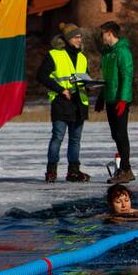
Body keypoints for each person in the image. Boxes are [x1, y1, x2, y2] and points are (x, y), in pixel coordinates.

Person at [36, 23, 92, 182]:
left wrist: (90, 85)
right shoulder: (54, 55)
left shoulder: (82, 56)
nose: (79, 40)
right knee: (57, 137)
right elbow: (41, 76)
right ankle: (51, 171)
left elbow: (85, 76)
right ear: (67, 39)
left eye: (80, 37)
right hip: (61, 101)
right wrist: (61, 90)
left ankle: (73, 171)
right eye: (76, 37)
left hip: (79, 103)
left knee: (75, 139)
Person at [97, 21, 135, 184]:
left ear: (109, 33)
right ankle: (125, 169)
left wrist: (123, 99)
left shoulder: (122, 52)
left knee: (121, 134)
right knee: (115, 135)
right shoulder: (107, 53)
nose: (101, 37)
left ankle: (126, 169)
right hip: (110, 98)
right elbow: (108, 79)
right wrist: (101, 97)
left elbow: (127, 76)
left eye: (102, 33)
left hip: (120, 99)